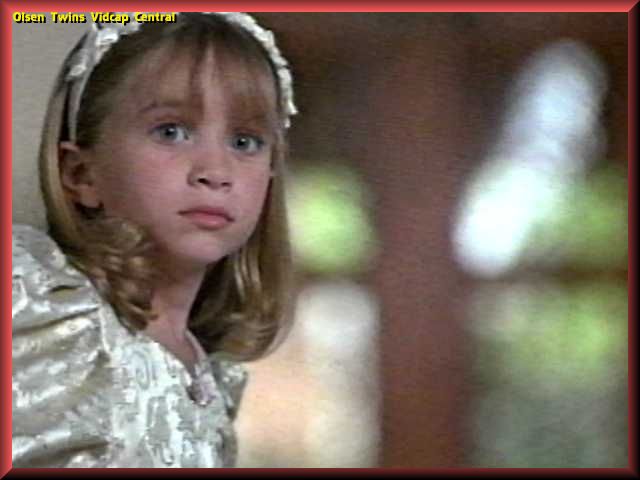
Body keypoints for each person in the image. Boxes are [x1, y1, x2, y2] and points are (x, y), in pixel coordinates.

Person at [12, 12, 297, 468]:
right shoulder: (43, 314)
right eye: (171, 132)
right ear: (81, 174)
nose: (215, 172)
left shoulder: (213, 377)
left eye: (245, 142)